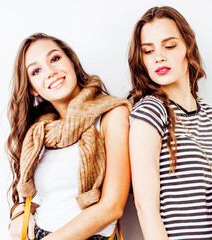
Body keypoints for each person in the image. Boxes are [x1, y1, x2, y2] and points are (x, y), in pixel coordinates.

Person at [7, 33, 131, 240]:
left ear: (72, 61)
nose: (51, 72)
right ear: (32, 88)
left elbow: (113, 207)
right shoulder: (40, 132)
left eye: (55, 59)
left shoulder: (112, 113)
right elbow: (55, 199)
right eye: (36, 71)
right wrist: (20, 211)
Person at [128, 6, 212, 240]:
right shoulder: (151, 111)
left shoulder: (209, 115)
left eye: (169, 46)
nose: (159, 57)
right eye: (148, 50)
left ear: (188, 47)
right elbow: (146, 208)